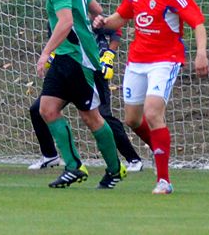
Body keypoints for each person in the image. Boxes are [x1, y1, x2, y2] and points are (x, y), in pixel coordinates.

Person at [93, 0, 209, 195]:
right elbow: (121, 17)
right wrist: (103, 23)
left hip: (165, 60)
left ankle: (164, 180)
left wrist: (201, 53)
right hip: (137, 60)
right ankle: (160, 151)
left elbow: (197, 22)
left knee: (153, 113)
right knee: (132, 119)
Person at [36, 0, 126, 189]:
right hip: (67, 57)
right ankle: (74, 166)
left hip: (79, 58)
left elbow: (65, 23)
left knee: (91, 117)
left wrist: (45, 53)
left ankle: (115, 168)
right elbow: (96, 8)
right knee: (47, 109)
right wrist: (98, 20)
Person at [28, 27, 143, 172]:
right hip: (67, 71)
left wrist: (109, 55)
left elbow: (115, 31)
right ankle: (49, 155)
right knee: (38, 110)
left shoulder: (84, 12)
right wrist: (52, 55)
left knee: (102, 117)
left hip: (92, 71)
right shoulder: (56, 18)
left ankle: (133, 159)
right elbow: (58, 40)